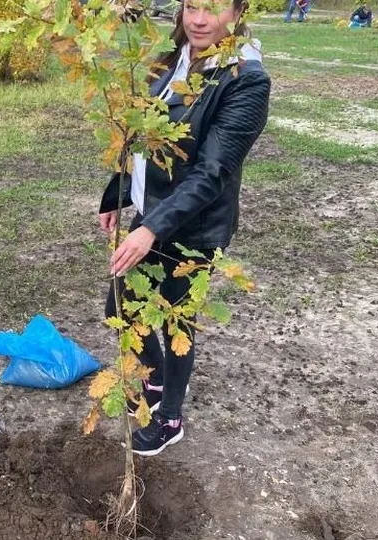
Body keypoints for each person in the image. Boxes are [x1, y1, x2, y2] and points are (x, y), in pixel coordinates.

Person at [99, 0, 270, 456]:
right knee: (120, 304)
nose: (198, 19)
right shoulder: (169, 55)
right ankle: (153, 381)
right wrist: (116, 193)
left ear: (237, 12)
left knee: (178, 321)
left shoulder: (245, 78)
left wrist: (150, 228)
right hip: (151, 212)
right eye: (191, 5)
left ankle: (170, 416)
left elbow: (211, 172)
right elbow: (143, 131)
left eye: (212, 8)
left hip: (194, 226)